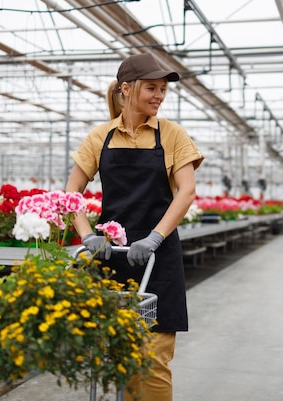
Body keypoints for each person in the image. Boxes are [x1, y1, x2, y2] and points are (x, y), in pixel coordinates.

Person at [65, 52, 204, 401]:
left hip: (159, 258)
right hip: (112, 254)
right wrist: (88, 236)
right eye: (151, 88)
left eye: (163, 89)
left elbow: (186, 191)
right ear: (126, 89)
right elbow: (71, 194)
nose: (159, 95)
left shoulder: (171, 135)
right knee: (118, 354)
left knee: (153, 357)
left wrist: (155, 238)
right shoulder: (100, 137)